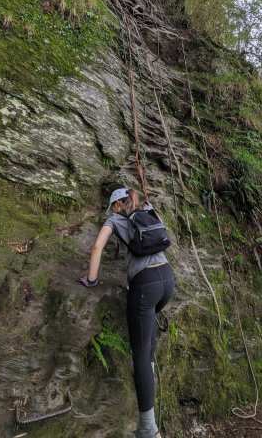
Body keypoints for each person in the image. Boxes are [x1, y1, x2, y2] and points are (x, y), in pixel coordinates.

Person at [77, 187, 175, 438]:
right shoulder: (147, 210)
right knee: (147, 331)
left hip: (146, 284)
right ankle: (149, 372)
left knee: (139, 354)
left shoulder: (114, 219)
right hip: (167, 279)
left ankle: (148, 429)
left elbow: (97, 247)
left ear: (115, 205)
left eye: (111, 207)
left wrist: (92, 280)